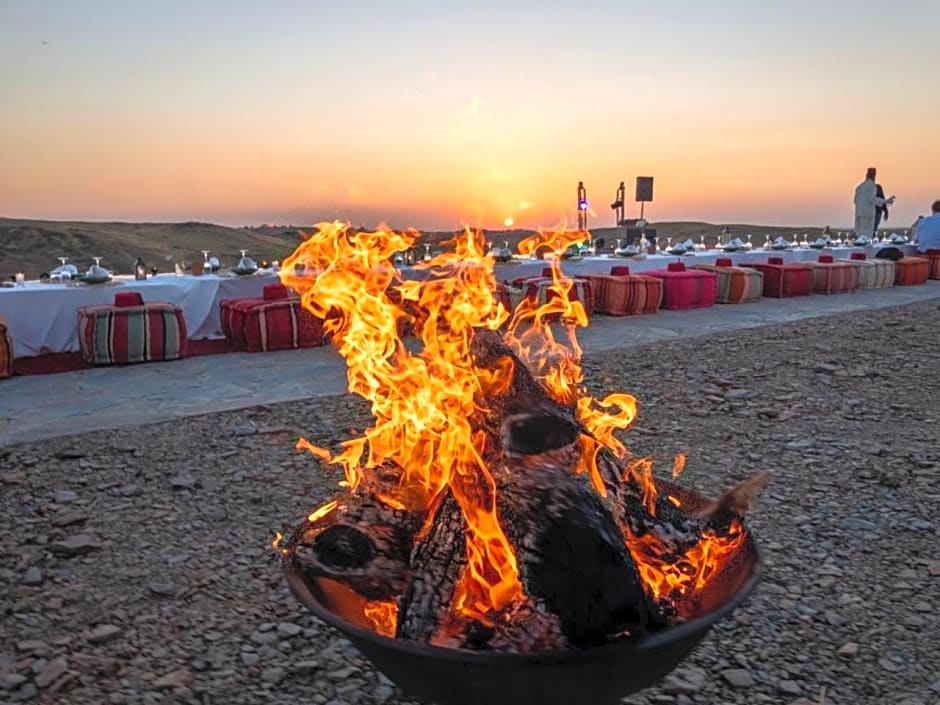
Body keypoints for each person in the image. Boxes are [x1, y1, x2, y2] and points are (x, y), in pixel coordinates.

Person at [853, 168, 894, 238]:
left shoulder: (859, 187)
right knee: (867, 238)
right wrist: (886, 201)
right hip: (868, 216)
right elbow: (872, 199)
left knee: (860, 236)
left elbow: (855, 201)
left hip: (859, 214)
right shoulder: (871, 186)